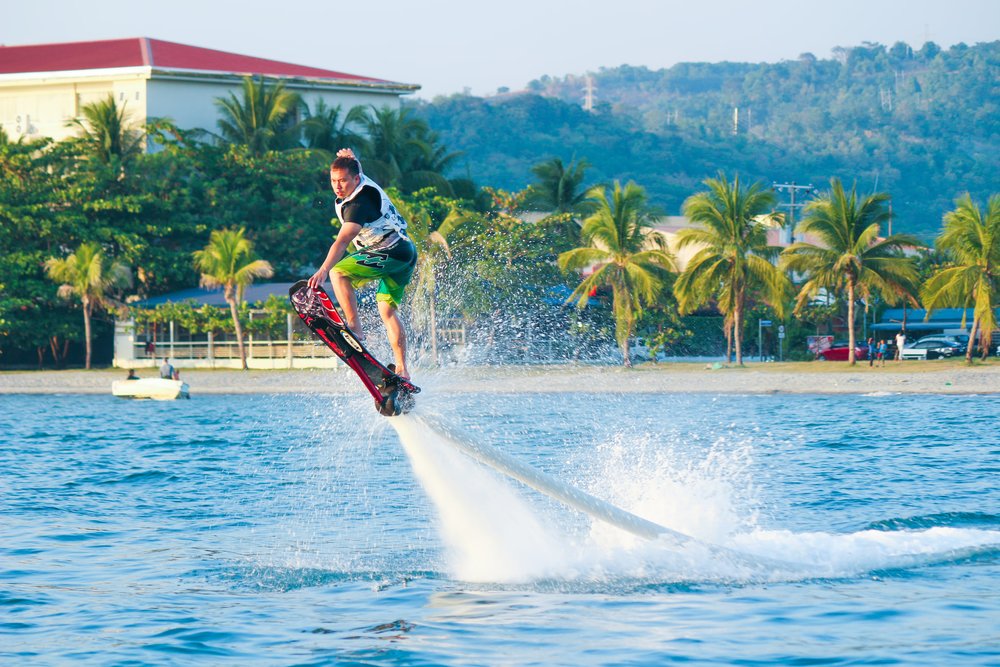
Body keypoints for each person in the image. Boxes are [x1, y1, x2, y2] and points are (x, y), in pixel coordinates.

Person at [308, 149, 418, 380]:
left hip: (390, 251)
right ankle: (403, 370)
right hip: (406, 253)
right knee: (387, 311)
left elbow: (342, 241)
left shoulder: (357, 205)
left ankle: (355, 328)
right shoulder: (363, 181)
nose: (337, 186)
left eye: (343, 181)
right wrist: (352, 157)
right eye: (333, 181)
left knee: (339, 273)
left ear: (355, 180)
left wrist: (323, 270)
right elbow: (356, 167)